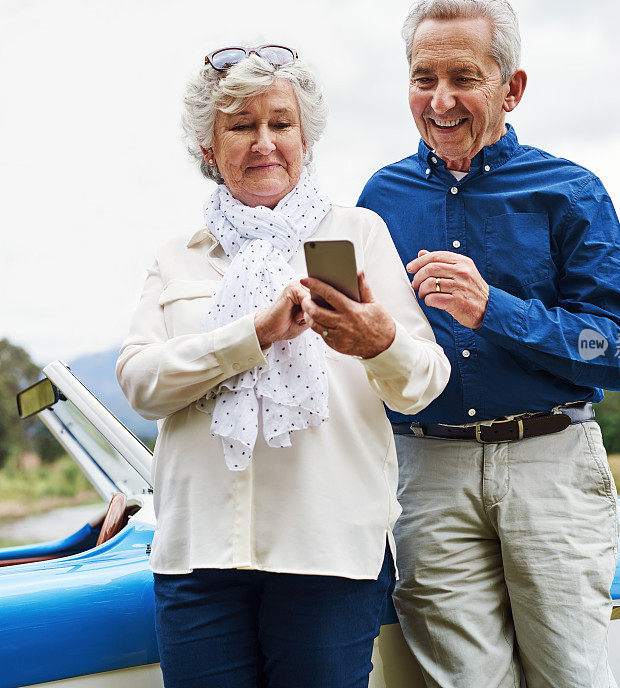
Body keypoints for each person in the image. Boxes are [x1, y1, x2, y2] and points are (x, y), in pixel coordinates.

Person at [116, 44, 449, 688]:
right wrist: (253, 334)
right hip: (199, 557)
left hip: (328, 551)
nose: (264, 141)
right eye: (241, 126)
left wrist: (379, 340)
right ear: (209, 150)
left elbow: (423, 386)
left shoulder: (360, 234)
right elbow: (140, 384)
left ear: (307, 137)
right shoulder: (177, 255)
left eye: (281, 122)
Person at [357, 2, 620, 687]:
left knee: (571, 676)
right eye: (424, 77)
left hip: (552, 462)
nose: (441, 99)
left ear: (510, 88)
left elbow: (618, 350)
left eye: (464, 77)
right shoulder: (376, 200)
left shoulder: (571, 191)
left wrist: (495, 309)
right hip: (424, 470)